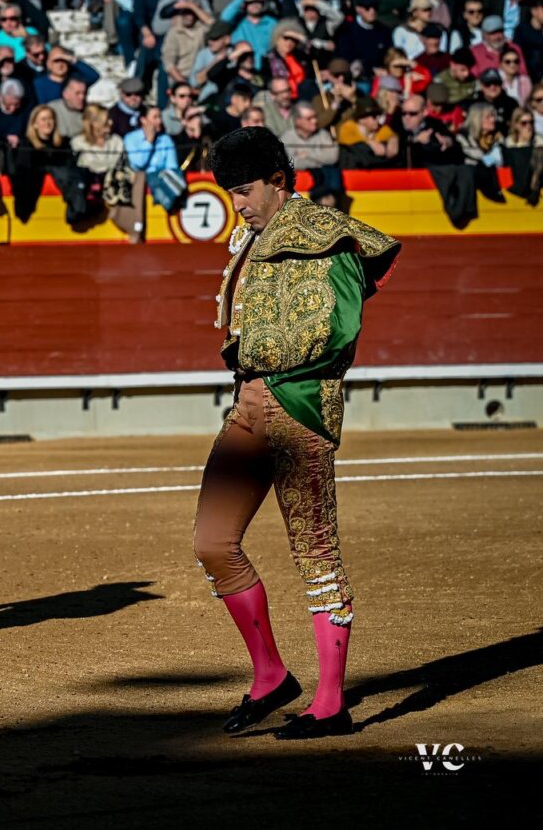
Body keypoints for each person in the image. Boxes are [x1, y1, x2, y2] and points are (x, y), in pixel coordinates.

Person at [193, 126, 401, 740]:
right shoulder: (254, 240)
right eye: (231, 193)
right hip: (249, 404)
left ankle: (331, 702)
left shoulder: (328, 236)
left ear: (279, 181)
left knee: (316, 556)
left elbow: (339, 329)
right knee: (212, 541)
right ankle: (270, 676)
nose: (239, 204)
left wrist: (263, 355)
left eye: (245, 190)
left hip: (301, 407)